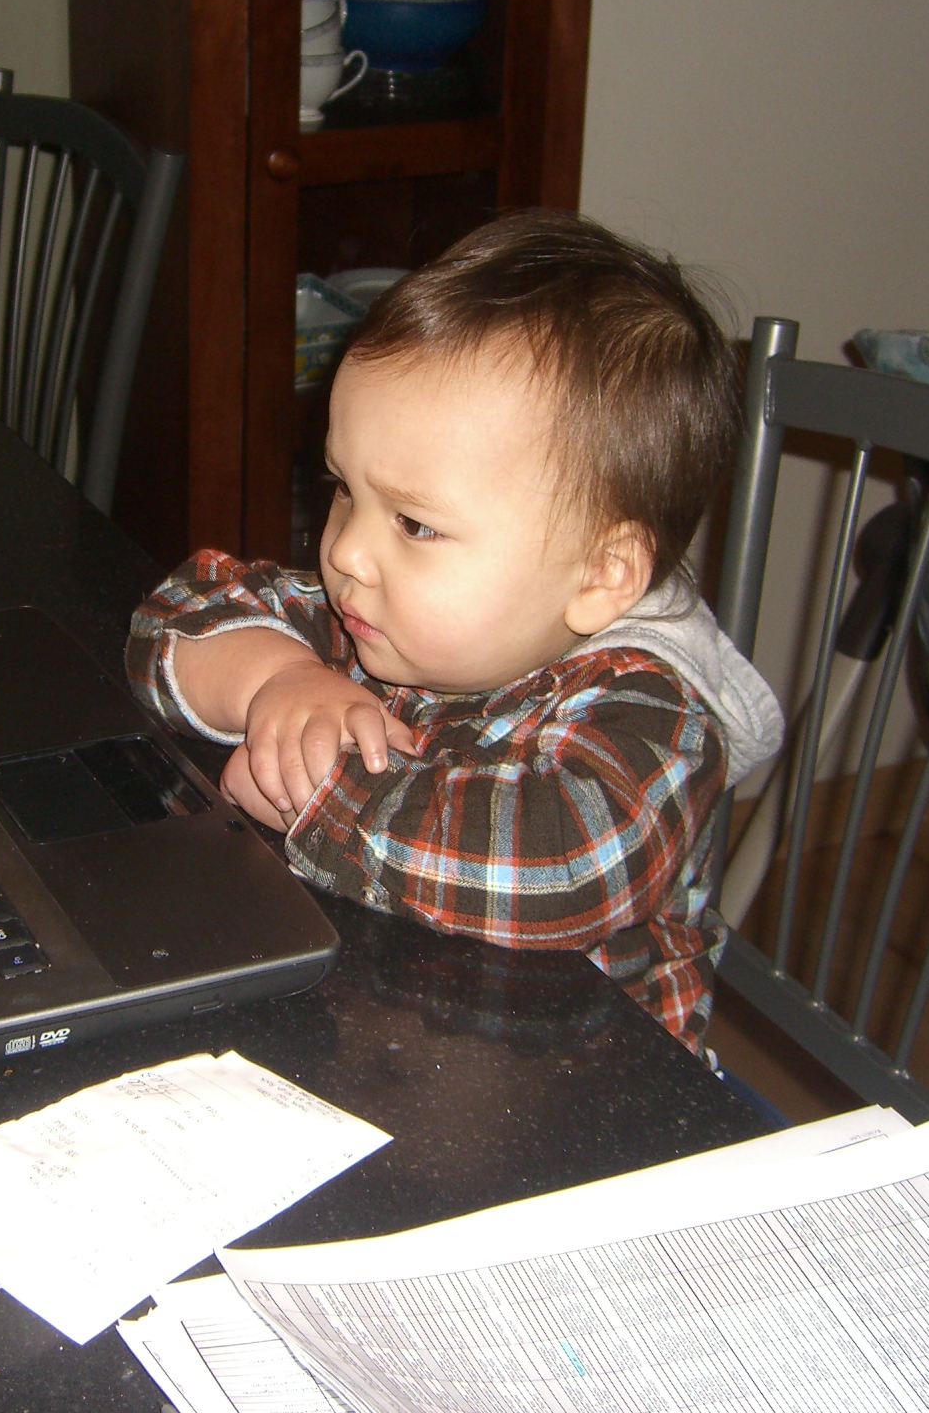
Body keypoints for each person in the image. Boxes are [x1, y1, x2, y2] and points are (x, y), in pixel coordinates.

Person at [127, 211, 782, 1050]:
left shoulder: (656, 713)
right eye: (344, 489)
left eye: (415, 524)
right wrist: (276, 680)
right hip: (386, 1017)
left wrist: (313, 789)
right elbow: (179, 613)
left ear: (599, 574)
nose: (347, 552)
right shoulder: (376, 617)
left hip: (583, 1086)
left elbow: (563, 867)